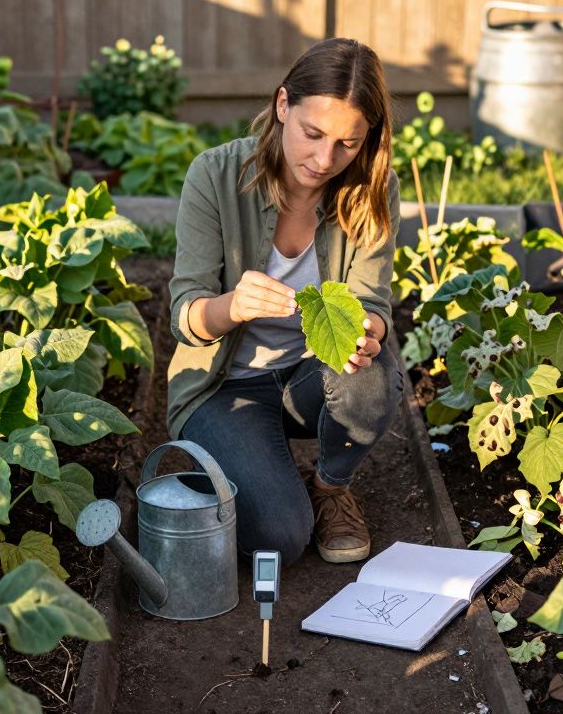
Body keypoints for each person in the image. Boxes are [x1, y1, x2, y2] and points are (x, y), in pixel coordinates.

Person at [167, 38, 403, 567]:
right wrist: (233, 305)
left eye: (348, 143)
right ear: (281, 106)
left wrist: (366, 332)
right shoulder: (215, 175)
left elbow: (374, 303)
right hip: (224, 385)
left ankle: (329, 486)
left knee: (372, 376)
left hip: (308, 379)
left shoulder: (371, 188)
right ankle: (253, 468)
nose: (325, 160)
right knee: (279, 539)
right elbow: (186, 316)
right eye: (312, 134)